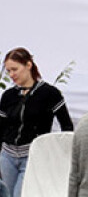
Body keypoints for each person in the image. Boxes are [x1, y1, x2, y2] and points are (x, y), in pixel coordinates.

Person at [0, 48, 73, 197]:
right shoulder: (8, 95)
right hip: (7, 155)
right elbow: (1, 127)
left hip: (32, 155)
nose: (12, 75)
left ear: (28, 65)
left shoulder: (50, 93)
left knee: (21, 194)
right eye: (8, 71)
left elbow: (67, 126)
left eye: (15, 69)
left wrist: (58, 154)